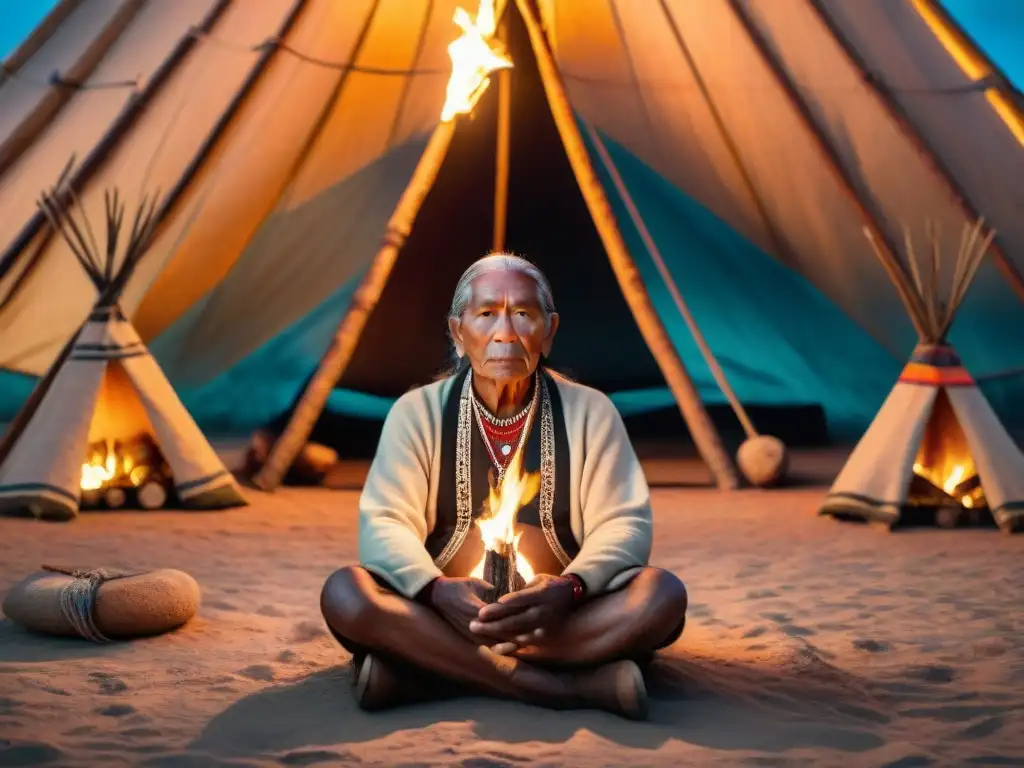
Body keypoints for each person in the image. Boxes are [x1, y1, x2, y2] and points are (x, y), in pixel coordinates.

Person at [320, 253, 688, 719]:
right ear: (458, 332)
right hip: (443, 613)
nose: (506, 333)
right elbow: (386, 519)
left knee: (662, 595)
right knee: (346, 593)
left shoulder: (592, 412)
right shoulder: (415, 413)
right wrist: (435, 591)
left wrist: (571, 589)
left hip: (559, 617)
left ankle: (426, 672)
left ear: (549, 331)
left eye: (524, 314)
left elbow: (624, 521)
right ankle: (564, 688)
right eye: (487, 313)